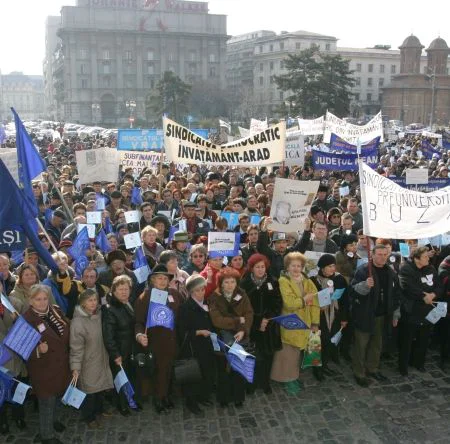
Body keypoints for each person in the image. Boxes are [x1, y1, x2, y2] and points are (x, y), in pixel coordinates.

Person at [22, 284, 71, 444]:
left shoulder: (55, 309)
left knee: (56, 397)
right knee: (46, 402)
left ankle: (52, 422)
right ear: (31, 301)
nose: (42, 302)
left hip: (60, 365)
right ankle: (46, 435)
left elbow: (66, 327)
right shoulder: (26, 319)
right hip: (43, 368)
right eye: (38, 299)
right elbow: (20, 347)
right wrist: (37, 350)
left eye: (44, 298)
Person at [134, 265, 184, 414]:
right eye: (159, 278)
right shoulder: (145, 297)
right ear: (153, 280)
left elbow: (183, 314)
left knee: (169, 370)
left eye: (165, 278)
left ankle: (167, 396)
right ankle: (159, 399)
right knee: (158, 371)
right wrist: (139, 335)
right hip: (156, 342)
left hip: (174, 340)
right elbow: (138, 322)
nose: (162, 281)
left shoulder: (174, 294)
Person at [350, 245, 401, 386]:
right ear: (372, 255)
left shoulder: (391, 272)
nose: (382, 257)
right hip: (365, 314)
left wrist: (395, 314)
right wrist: (365, 285)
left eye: (385, 254)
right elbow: (353, 290)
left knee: (377, 344)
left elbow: (396, 294)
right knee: (361, 345)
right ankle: (359, 373)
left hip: (383, 315)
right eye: (379, 254)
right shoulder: (364, 270)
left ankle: (372, 368)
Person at [271, 252, 319, 395]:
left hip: (305, 322)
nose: (296, 269)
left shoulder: (307, 281)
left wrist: (315, 322)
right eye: (293, 266)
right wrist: (304, 300)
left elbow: (315, 302)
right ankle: (286, 379)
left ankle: (293, 376)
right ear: (288, 266)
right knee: (287, 353)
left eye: (299, 266)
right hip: (290, 321)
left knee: (297, 353)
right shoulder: (283, 281)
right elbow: (289, 303)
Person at [209, 268, 254, 408]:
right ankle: (224, 397)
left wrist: (243, 330)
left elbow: (248, 314)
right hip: (223, 337)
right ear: (221, 283)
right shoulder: (214, 297)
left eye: (232, 282)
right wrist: (236, 320)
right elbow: (217, 320)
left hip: (239, 336)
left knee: (239, 367)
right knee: (223, 369)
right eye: (226, 282)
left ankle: (238, 397)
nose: (229, 285)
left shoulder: (242, 294)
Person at [70, 289, 113, 429]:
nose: (93, 303)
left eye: (95, 299)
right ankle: (89, 417)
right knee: (90, 392)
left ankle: (99, 410)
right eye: (90, 300)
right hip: (87, 362)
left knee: (100, 388)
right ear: (82, 303)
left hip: (101, 357)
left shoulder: (100, 314)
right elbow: (76, 347)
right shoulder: (78, 322)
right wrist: (75, 367)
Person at [240, 254, 282, 394]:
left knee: (267, 356)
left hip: (268, 326)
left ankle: (265, 382)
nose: (260, 270)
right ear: (251, 268)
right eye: (257, 267)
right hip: (251, 325)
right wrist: (258, 321)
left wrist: (267, 319)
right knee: (251, 355)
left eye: (262, 267)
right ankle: (250, 383)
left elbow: (277, 304)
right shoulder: (244, 283)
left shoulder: (273, 282)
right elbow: (242, 307)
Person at [398, 246, 443, 375]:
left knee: (423, 338)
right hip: (411, 311)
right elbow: (408, 287)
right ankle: (403, 366)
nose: (428, 258)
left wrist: (432, 295)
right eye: (425, 257)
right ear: (416, 258)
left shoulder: (431, 268)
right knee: (407, 340)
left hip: (427, 310)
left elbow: (439, 286)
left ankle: (418, 363)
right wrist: (423, 296)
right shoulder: (406, 268)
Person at [177, 275, 216, 414]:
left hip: (206, 345)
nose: (201, 292)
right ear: (191, 292)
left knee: (206, 371)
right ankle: (191, 402)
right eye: (198, 290)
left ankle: (202, 396)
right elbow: (182, 331)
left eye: (203, 289)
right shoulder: (185, 308)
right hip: (193, 347)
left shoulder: (206, 303)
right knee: (193, 375)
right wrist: (198, 332)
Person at [102, 275, 137, 416]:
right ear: (114, 291)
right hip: (119, 352)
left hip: (130, 348)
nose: (124, 292)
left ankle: (131, 401)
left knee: (131, 377)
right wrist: (115, 354)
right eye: (120, 289)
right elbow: (108, 336)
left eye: (126, 289)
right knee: (121, 380)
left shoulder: (128, 303)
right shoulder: (110, 309)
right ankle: (121, 405)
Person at [311, 254, 349, 380]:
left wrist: (344, 318)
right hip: (318, 317)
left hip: (335, 316)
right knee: (317, 343)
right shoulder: (313, 280)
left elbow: (345, 300)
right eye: (329, 266)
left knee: (329, 342)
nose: (333, 268)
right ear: (322, 268)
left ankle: (325, 365)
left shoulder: (339, 279)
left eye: (334, 265)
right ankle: (316, 368)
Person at [0, 282, 27, 435]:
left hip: (14, 354)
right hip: (1, 357)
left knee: (17, 388)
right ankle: (2, 421)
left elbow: (25, 325)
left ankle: (19, 416)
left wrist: (16, 320)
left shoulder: (12, 303)